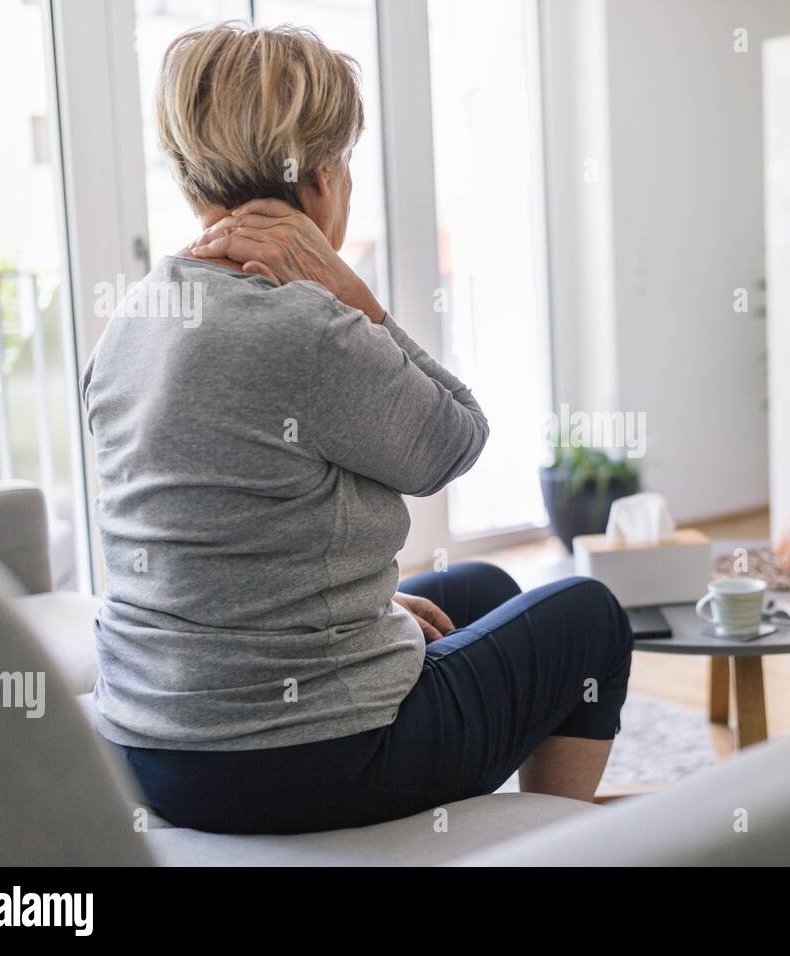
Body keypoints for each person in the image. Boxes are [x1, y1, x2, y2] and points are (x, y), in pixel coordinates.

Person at [81, 22, 632, 835]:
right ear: (324, 177)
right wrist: (355, 294)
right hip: (301, 763)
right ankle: (546, 847)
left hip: (152, 751)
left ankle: (482, 823)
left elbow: (204, 535)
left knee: (477, 592)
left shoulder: (131, 323)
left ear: (193, 181)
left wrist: (359, 614)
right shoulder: (305, 325)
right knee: (589, 615)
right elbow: (458, 438)